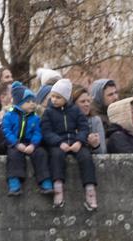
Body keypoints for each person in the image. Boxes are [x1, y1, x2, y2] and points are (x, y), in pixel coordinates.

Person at [40, 78, 98, 210]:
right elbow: (46, 131)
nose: (54, 100)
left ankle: (90, 190)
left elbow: (84, 127)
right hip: (58, 143)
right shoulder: (48, 112)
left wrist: (79, 141)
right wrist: (58, 142)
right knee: (56, 157)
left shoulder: (75, 111)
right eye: (53, 96)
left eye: (58, 97)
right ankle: (58, 189)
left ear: (66, 98)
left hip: (74, 141)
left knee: (86, 157)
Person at [1, 81, 52, 196]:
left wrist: (33, 144)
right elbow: (6, 130)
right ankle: (14, 182)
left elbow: (38, 132)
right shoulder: (9, 115)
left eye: (33, 101)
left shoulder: (35, 117)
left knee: (41, 154)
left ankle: (45, 181)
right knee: (13, 156)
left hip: (30, 143)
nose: (32, 104)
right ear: (19, 103)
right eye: (28, 102)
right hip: (14, 143)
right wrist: (16, 143)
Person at [71, 85, 107, 155]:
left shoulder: (95, 121)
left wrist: (96, 145)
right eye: (82, 101)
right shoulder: (67, 121)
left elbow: (103, 152)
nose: (87, 104)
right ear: (73, 104)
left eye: (88, 101)